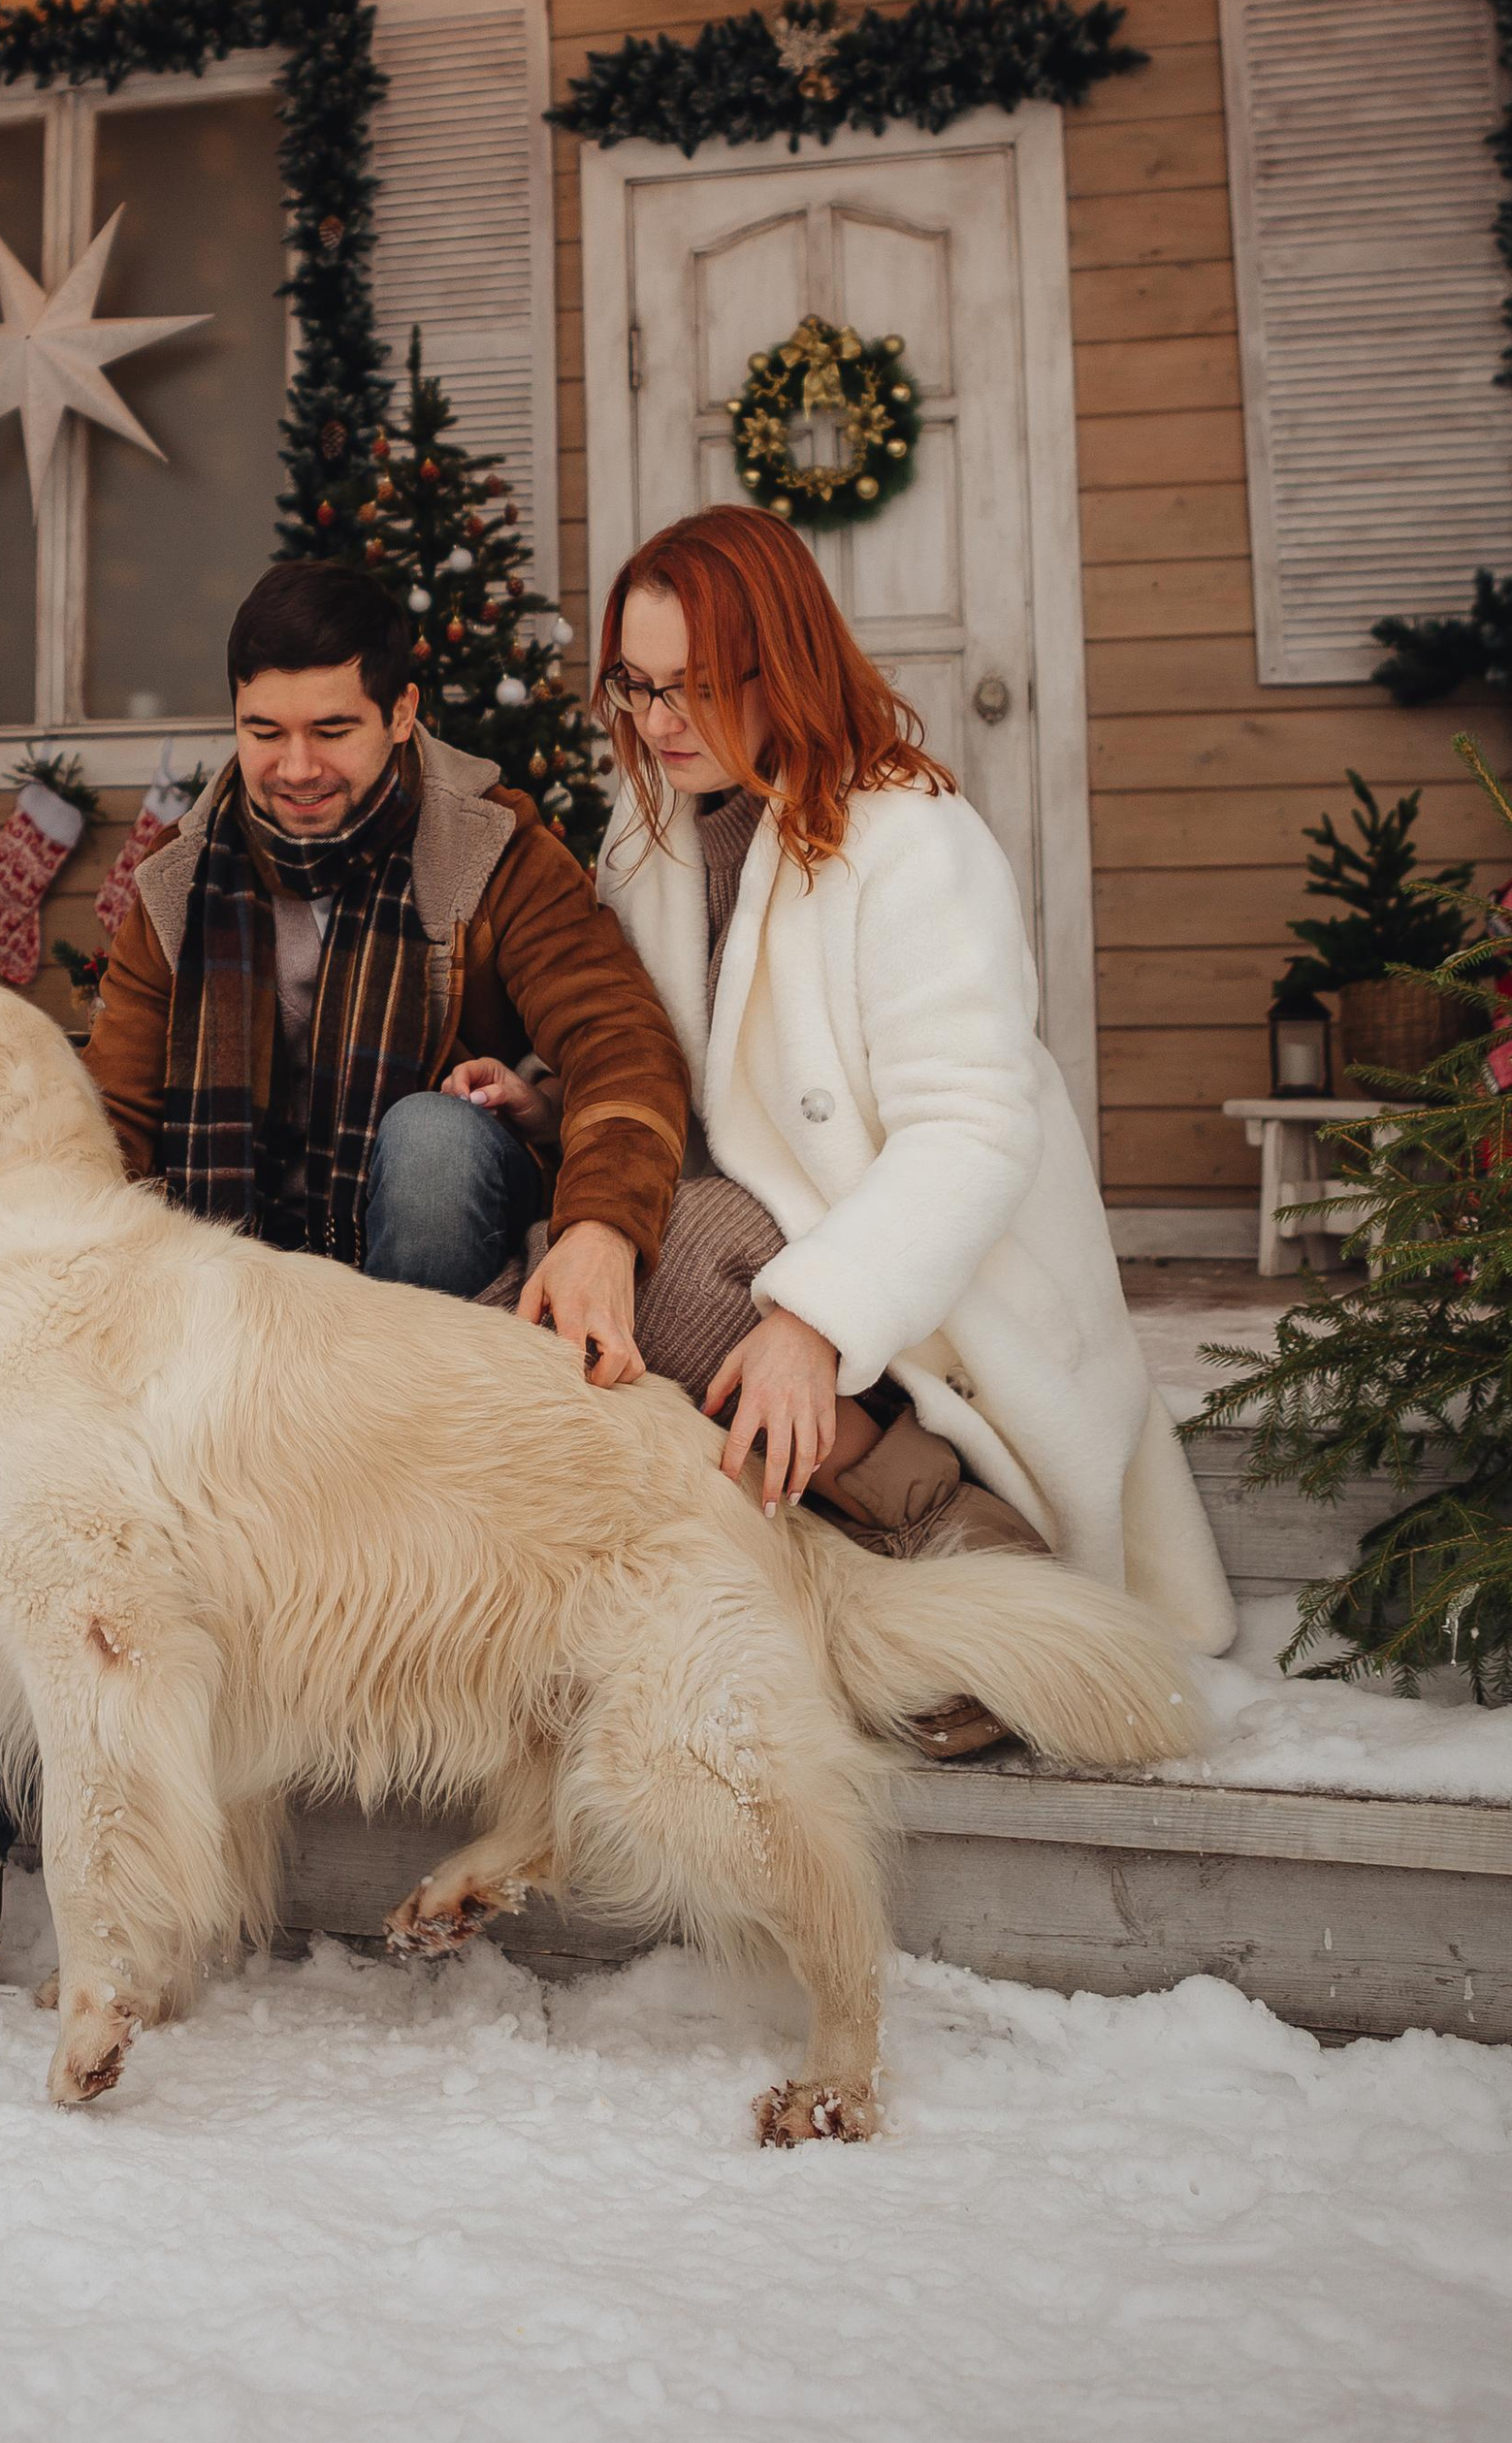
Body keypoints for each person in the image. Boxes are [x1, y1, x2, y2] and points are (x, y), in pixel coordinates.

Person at [0, 559, 692, 1979]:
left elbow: (622, 1045)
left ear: (404, 713)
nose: (294, 768)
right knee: (48, 1491)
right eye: (263, 731)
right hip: (238, 1316)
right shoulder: (175, 888)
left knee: (434, 1140)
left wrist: (601, 1222)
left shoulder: (495, 858)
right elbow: (115, 1144)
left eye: (333, 731)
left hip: (411, 1330)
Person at [492, 501, 1237, 1744]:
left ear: (780, 667)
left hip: (929, 1279)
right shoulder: (653, 831)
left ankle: (981, 1559)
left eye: (694, 688)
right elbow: (684, 1057)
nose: (658, 723)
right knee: (581, 1271)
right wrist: (547, 1093)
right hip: (758, 1225)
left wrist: (810, 1320)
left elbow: (973, 1130)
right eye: (633, 686)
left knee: (658, 1273)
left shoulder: (913, 843)